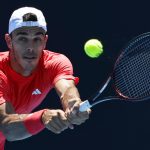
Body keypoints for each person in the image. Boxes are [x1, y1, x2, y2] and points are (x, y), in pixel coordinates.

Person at [0, 7, 91, 150]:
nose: (30, 47)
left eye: (37, 39)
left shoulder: (55, 63)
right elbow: (7, 127)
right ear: (9, 41)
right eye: (22, 38)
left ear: (45, 41)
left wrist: (73, 104)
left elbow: (67, 89)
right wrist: (43, 117)